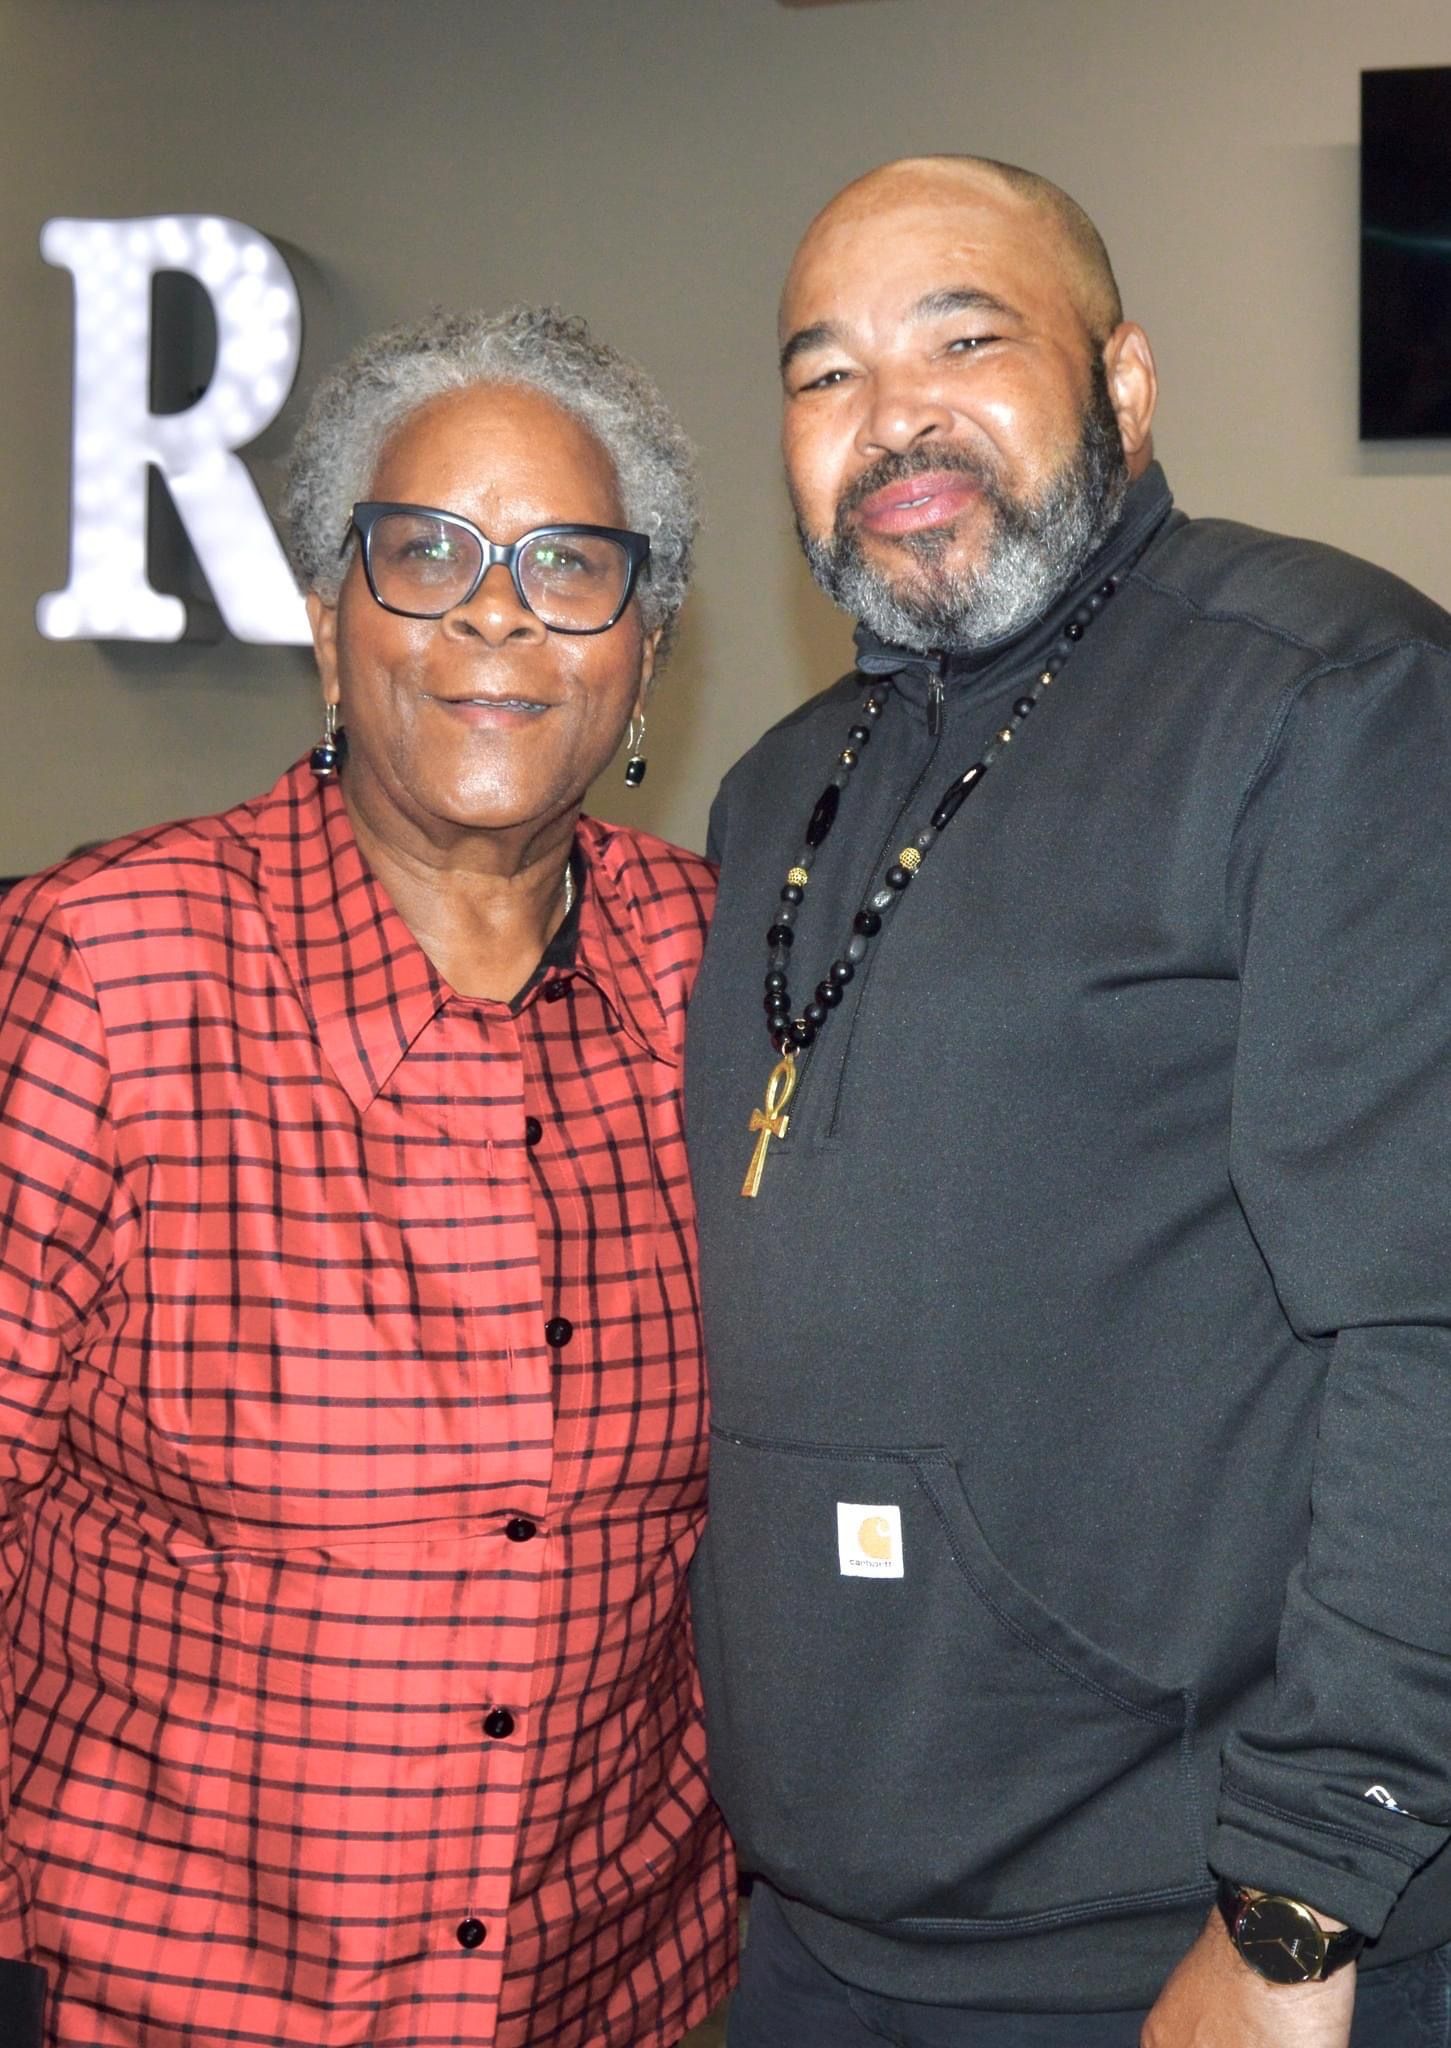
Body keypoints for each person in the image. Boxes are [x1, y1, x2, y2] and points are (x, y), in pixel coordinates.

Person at [683, 155, 1451, 2048]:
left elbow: (1427, 1327)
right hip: (814, 1934)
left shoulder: (1328, 695)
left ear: (1124, 382)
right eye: (825, 372)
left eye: (964, 340)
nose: (892, 415)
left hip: (1185, 1941)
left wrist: (1302, 1898)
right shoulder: (774, 792)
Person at [0, 306, 734, 2047]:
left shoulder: (719, 978)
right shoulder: (105, 968)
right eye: (427, 553)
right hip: (164, 1999)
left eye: (570, 565)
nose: (495, 612)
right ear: (332, 626)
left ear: (643, 655)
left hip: (607, 1995)